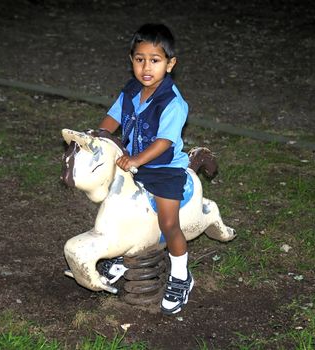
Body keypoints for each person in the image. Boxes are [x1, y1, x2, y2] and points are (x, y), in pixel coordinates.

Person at [98, 23, 193, 315]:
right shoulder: (129, 91)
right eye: (140, 59)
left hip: (163, 169)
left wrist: (138, 161)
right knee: (113, 206)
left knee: (168, 223)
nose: (146, 67)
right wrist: (96, 137)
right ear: (131, 60)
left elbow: (165, 141)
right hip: (131, 162)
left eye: (155, 60)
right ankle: (122, 253)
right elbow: (112, 118)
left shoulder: (173, 103)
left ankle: (181, 276)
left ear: (170, 64)